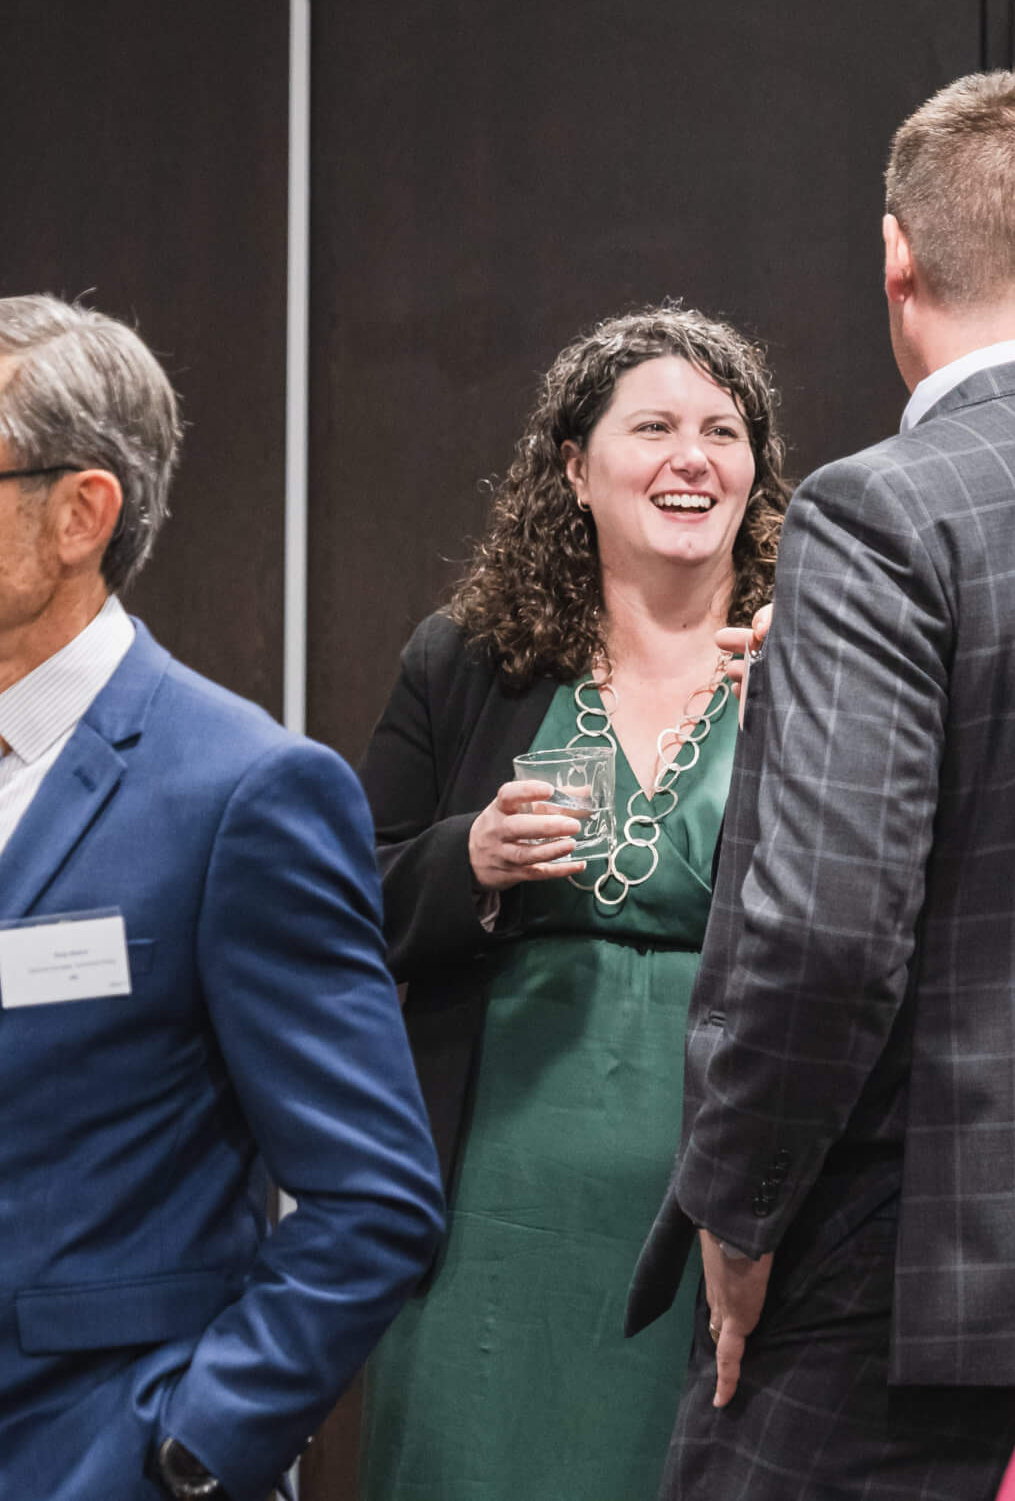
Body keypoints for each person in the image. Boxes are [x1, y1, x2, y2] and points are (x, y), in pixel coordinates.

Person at [0, 294, 444, 1500]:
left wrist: (195, 1449)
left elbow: (374, 1201)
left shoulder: (243, 791)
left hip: (106, 1458)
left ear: (79, 514)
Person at [624, 71, 1015, 1500]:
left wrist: (741, 1210)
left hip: (904, 1289)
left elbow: (827, 931)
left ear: (896, 258)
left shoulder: (876, 509)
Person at [354, 306, 787, 1499]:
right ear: (573, 469)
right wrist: (472, 859)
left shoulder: (811, 663)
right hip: (490, 1206)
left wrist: (802, 745)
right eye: (653, 428)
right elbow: (346, 899)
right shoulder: (468, 661)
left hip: (723, 1200)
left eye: (723, 432)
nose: (692, 458)